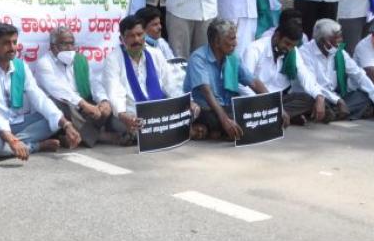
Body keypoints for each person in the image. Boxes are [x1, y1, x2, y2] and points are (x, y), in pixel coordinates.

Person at [0, 22, 78, 158]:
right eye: (6, 43)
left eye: (14, 42)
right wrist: (12, 140)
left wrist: (66, 124)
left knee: (55, 117)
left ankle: (9, 148)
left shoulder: (20, 67)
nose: (12, 47)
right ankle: (36, 146)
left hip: (18, 123)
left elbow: (39, 98)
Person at [102, 15, 191, 144]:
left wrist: (184, 104)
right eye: (130, 36)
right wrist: (123, 115)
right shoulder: (113, 59)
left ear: (145, 35)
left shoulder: (156, 54)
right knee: (130, 125)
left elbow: (169, 84)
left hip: (158, 113)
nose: (136, 39)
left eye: (139, 34)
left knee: (192, 112)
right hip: (130, 114)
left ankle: (145, 134)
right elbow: (114, 91)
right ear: (121, 39)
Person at [186, 18, 273, 141]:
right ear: (217, 42)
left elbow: (253, 82)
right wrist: (225, 120)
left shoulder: (232, 57)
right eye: (232, 39)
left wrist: (275, 104)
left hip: (228, 106)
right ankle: (216, 128)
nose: (236, 43)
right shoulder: (198, 58)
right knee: (240, 117)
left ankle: (215, 130)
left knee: (301, 99)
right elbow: (207, 93)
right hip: (207, 109)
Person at [33, 26, 118, 147]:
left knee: (107, 103)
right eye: (64, 44)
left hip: (84, 108)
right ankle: (98, 136)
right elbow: (58, 90)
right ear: (53, 47)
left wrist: (104, 100)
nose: (69, 48)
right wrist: (83, 104)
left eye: (71, 43)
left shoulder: (80, 60)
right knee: (61, 103)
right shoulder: (44, 63)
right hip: (68, 108)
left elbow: (94, 83)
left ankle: (70, 137)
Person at [299, 19, 374, 121]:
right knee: (314, 101)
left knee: (371, 94)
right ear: (323, 40)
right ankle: (357, 111)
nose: (340, 41)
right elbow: (312, 84)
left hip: (337, 97)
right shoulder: (305, 53)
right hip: (315, 96)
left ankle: (335, 113)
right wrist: (338, 101)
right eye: (336, 38)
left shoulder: (339, 52)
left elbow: (359, 75)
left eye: (341, 37)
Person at [242, 18, 325, 124]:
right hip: (256, 99)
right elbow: (244, 85)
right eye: (287, 43)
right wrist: (269, 104)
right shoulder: (255, 49)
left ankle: (274, 117)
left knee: (308, 99)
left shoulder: (292, 51)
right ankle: (279, 116)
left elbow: (305, 75)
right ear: (277, 36)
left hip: (279, 99)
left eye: (293, 46)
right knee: (247, 107)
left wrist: (319, 96)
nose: (289, 48)